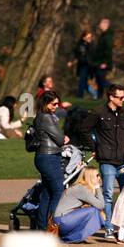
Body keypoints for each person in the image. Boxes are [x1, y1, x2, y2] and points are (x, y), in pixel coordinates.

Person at [93, 83, 124, 235]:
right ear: (111, 97)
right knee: (108, 195)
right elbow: (84, 129)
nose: (123, 99)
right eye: (120, 97)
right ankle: (109, 227)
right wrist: (95, 147)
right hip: (107, 162)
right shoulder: (99, 112)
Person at [32, 91, 70, 233]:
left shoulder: (43, 116)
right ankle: (51, 226)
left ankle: (42, 228)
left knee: (48, 193)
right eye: (53, 104)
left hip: (46, 156)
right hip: (48, 157)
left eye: (58, 104)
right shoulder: (46, 117)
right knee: (58, 191)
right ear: (45, 103)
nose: (56, 106)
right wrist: (64, 138)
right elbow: (60, 139)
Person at [55, 168, 106, 243]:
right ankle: (71, 238)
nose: (99, 177)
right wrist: (98, 188)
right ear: (90, 177)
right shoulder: (82, 189)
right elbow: (100, 205)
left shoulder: (80, 186)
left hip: (61, 220)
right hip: (61, 221)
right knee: (93, 211)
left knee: (91, 210)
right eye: (97, 175)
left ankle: (71, 237)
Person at [91, 17, 114, 94]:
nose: (99, 25)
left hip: (103, 63)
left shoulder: (108, 36)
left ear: (105, 24)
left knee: (102, 80)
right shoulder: (103, 35)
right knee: (99, 80)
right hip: (99, 62)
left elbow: (108, 50)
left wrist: (105, 62)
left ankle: (115, 88)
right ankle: (99, 96)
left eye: (101, 23)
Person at [72, 30, 95, 98]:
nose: (89, 39)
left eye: (90, 37)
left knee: (84, 81)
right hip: (83, 65)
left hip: (90, 66)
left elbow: (92, 55)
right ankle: (80, 95)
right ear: (83, 37)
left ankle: (94, 93)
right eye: (88, 37)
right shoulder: (80, 45)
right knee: (82, 80)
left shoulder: (91, 45)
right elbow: (78, 55)